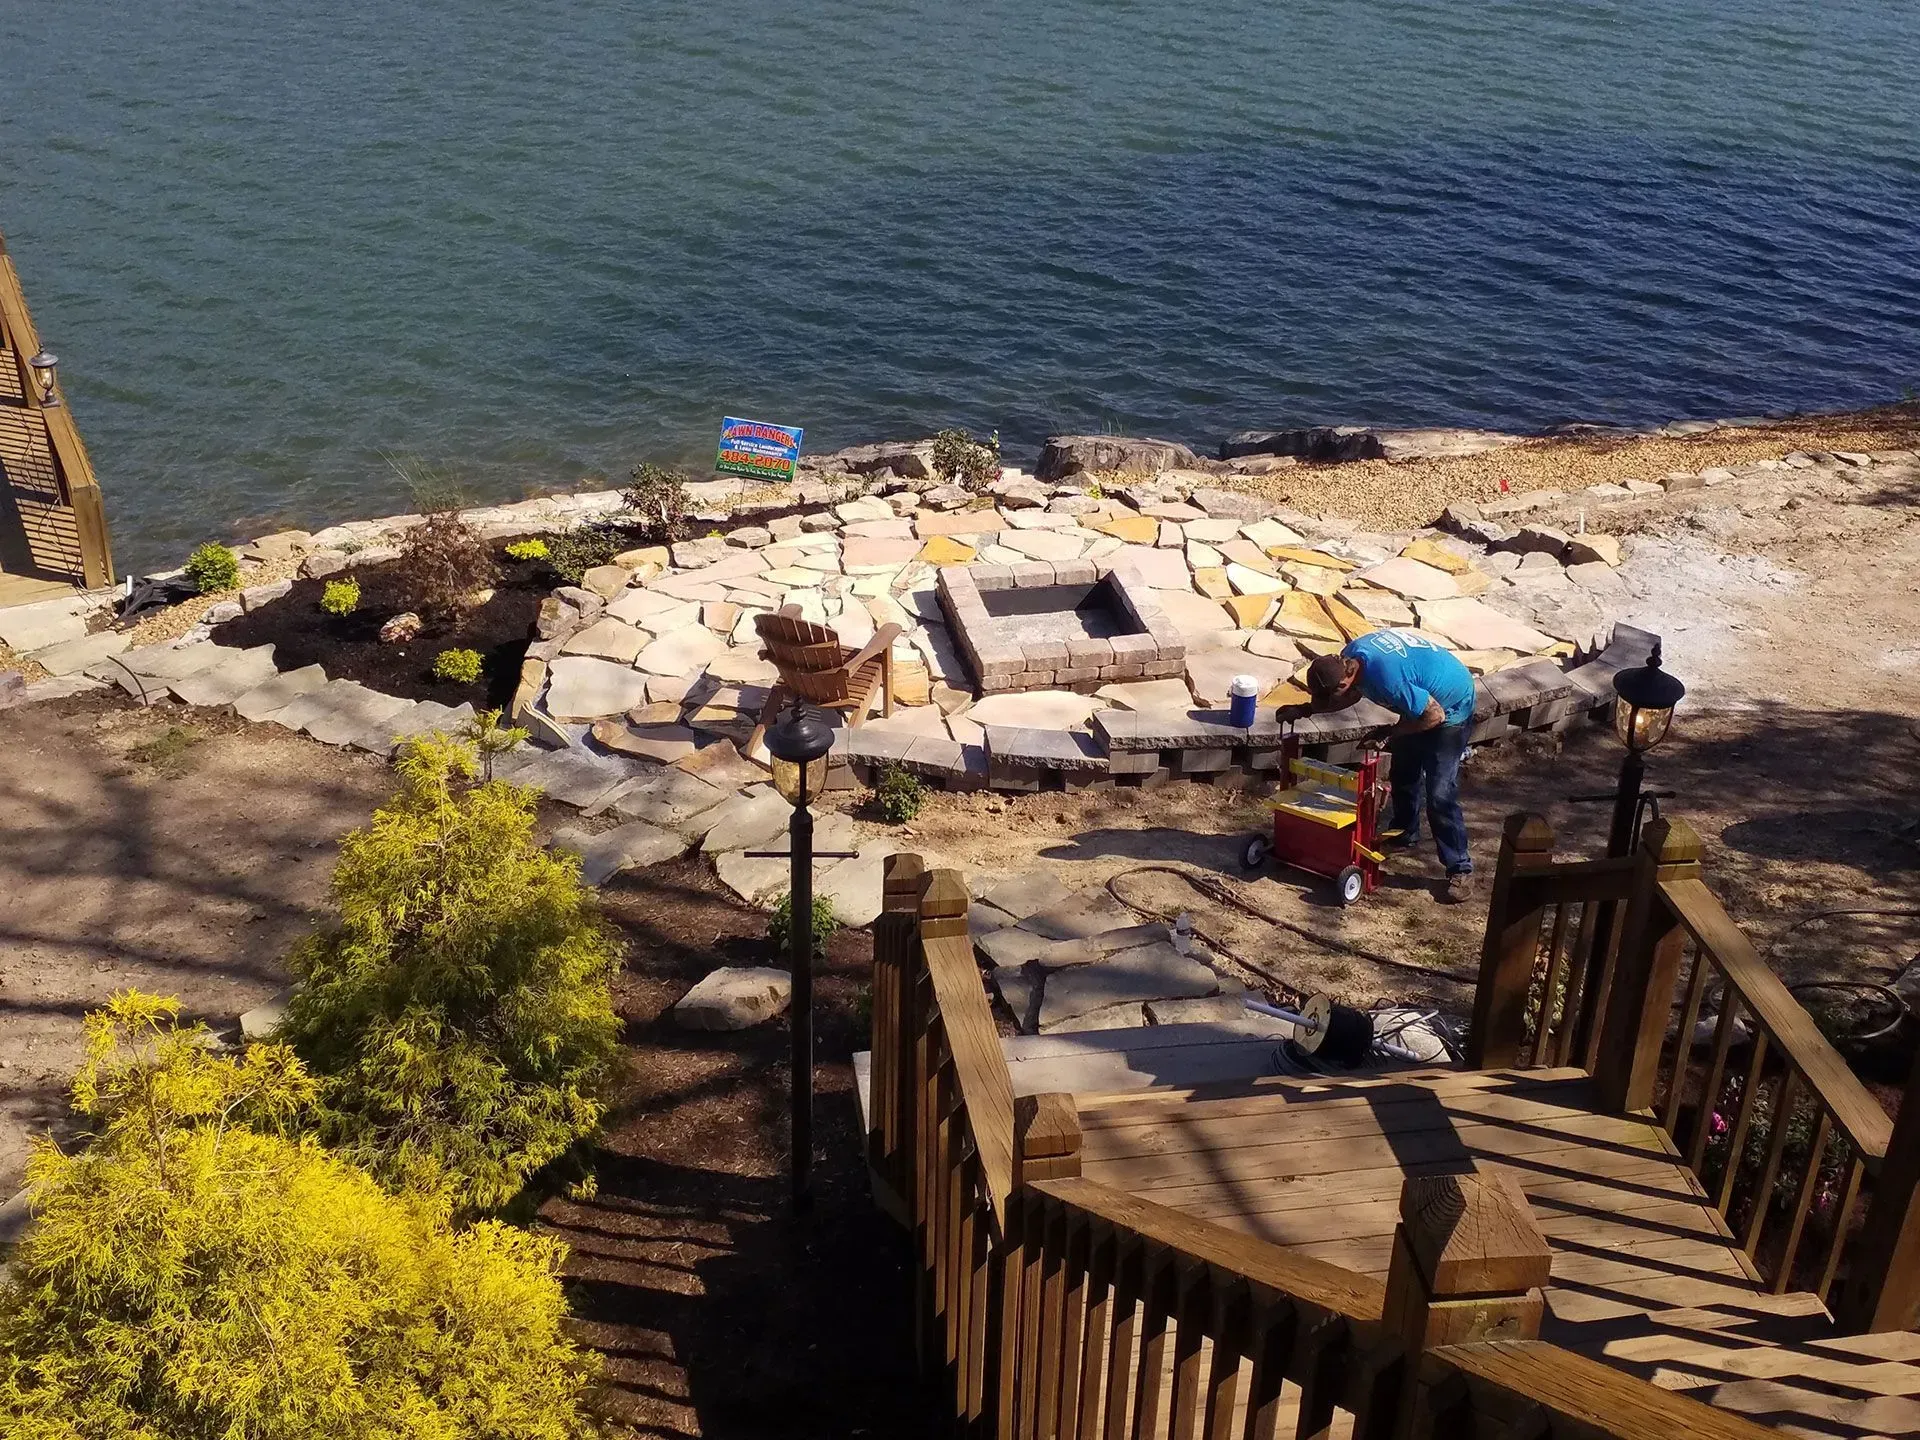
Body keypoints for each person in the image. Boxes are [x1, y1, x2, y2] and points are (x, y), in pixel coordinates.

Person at [1280, 629, 1478, 902]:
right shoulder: (1349, 659)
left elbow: (1434, 716)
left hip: (1452, 707)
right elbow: (1350, 696)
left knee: (1440, 793)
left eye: (1330, 696)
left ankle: (1460, 868)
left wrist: (1390, 734)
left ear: (1343, 680)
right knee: (1403, 773)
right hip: (1422, 705)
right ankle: (1406, 833)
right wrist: (1305, 710)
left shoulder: (1387, 678)